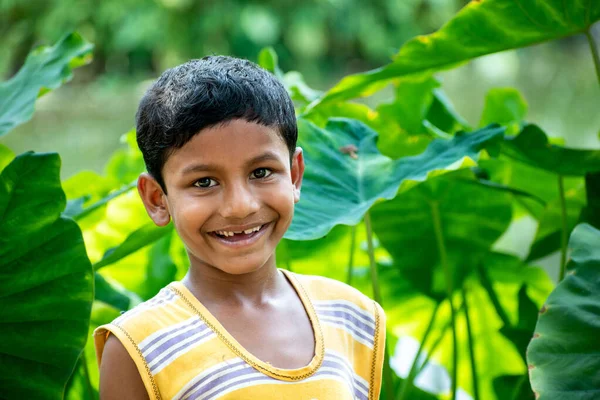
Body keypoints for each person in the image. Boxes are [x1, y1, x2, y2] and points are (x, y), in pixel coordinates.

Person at [94, 55, 386, 400]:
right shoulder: (139, 347)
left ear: (294, 175)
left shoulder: (352, 315)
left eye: (261, 173)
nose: (240, 206)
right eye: (204, 182)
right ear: (158, 199)